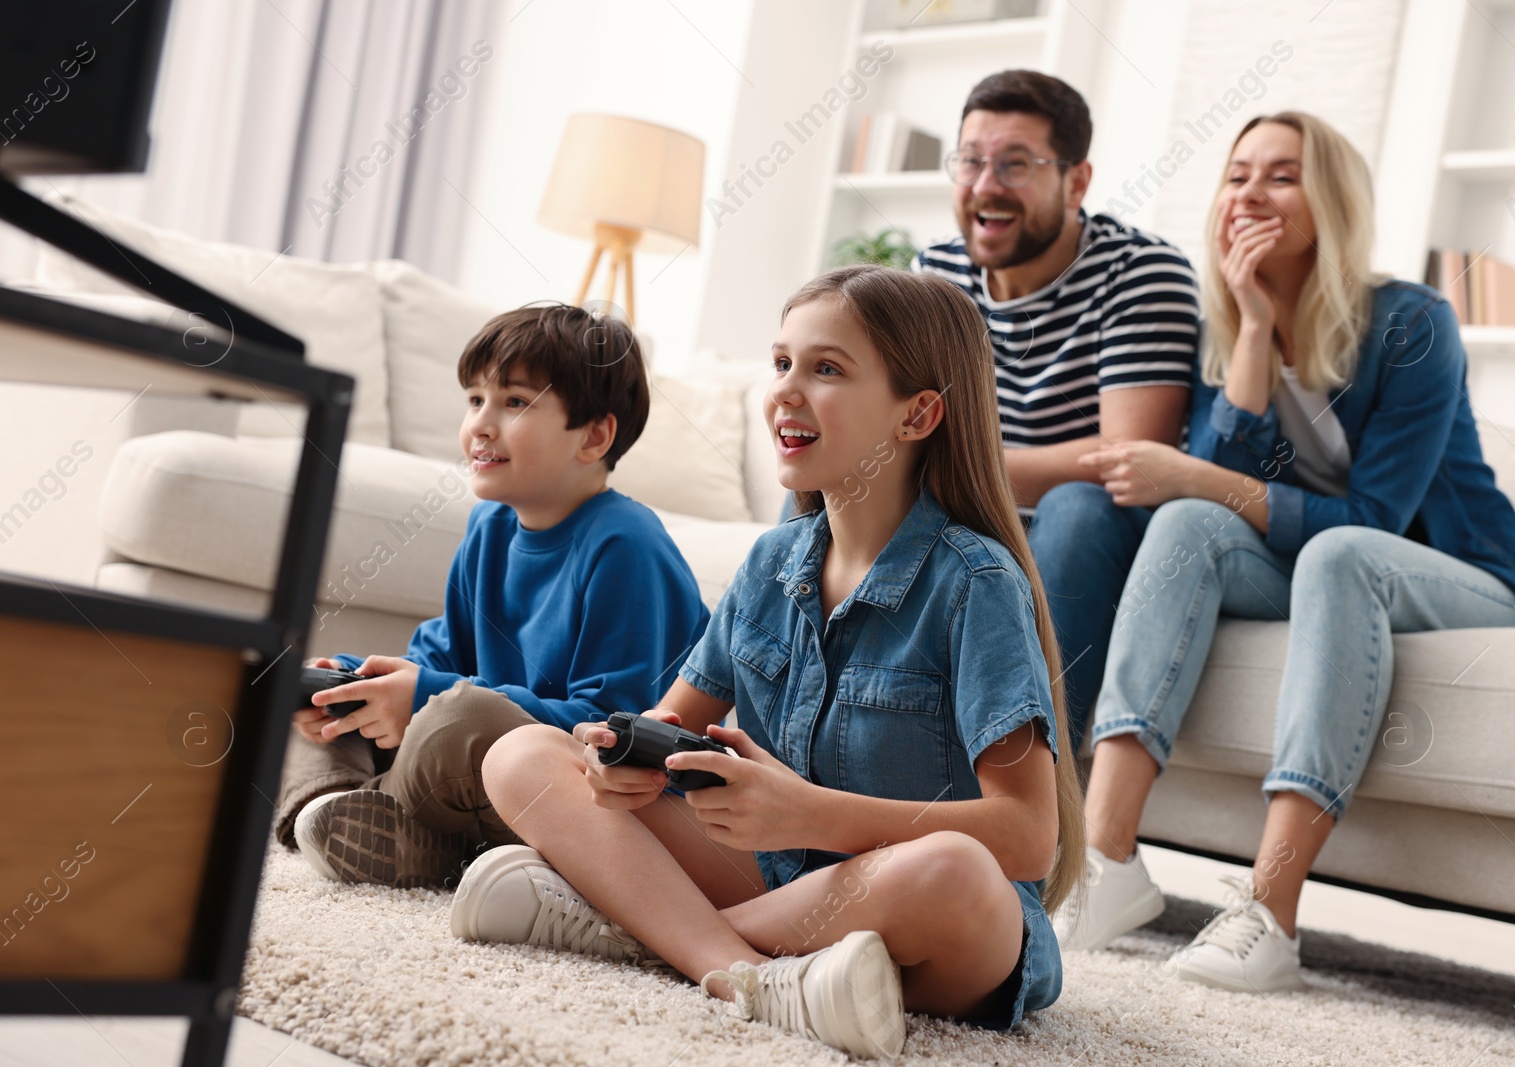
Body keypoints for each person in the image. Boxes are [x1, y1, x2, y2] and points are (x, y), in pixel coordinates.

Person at [447, 266, 1086, 1058]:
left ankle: (639, 933)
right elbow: (666, 726)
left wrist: (809, 810)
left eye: (826, 369)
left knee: (950, 867)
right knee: (524, 752)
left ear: (918, 413)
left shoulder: (976, 582)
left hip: (929, 925)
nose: (785, 391)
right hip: (778, 881)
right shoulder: (771, 561)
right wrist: (621, 760)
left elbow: (1027, 838)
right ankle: (739, 970)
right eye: (782, 363)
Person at [1058, 112, 1515, 989]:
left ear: (1330, 199)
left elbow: (1372, 515)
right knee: (1187, 526)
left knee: (1342, 553)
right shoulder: (1228, 330)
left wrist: (1197, 475)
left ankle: (1270, 912)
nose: (1249, 194)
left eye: (1281, 176)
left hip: (1472, 580)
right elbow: (1203, 500)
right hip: (1327, 572)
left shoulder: (1413, 323)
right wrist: (1254, 331)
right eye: (1236, 175)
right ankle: (1105, 861)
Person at [275, 304, 710, 888]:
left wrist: (428, 697)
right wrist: (358, 681)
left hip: (572, 791)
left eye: (513, 403)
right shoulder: (490, 527)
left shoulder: (627, 545)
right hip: (462, 773)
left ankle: (395, 826)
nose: (481, 423)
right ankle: (337, 809)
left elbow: (614, 732)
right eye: (475, 400)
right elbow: (441, 658)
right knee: (322, 700)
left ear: (594, 435)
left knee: (458, 716)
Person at [912, 69, 1202, 753]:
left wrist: (949, 463)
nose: (985, 185)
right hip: (970, 516)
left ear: (1076, 182)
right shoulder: (936, 273)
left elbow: (1127, 462)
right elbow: (896, 434)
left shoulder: (1141, 272)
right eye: (971, 161)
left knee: (1078, 506)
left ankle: (1036, 789)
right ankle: (766, 744)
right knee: (830, 487)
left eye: (1015, 164)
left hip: (1088, 533)